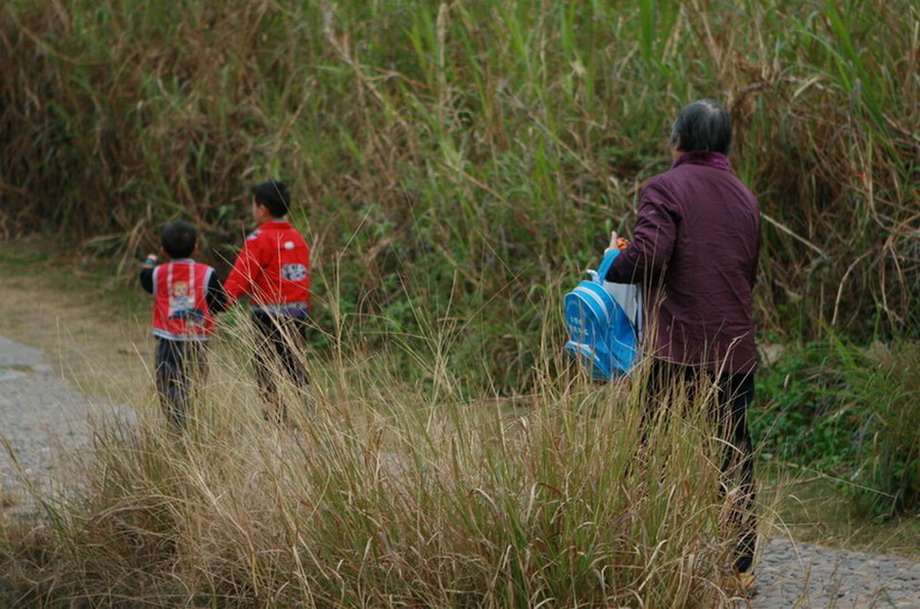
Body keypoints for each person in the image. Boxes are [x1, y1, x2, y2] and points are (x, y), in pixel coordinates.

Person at [604, 99, 761, 588]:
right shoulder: (744, 197)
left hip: (676, 348)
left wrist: (614, 261)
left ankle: (637, 557)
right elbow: (745, 271)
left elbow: (649, 257)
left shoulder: (665, 187)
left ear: (678, 141)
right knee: (731, 453)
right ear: (725, 145)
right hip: (733, 348)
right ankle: (739, 572)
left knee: (649, 450)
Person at [224, 179, 312, 422]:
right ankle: (310, 417)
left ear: (262, 208)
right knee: (296, 366)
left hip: (267, 315)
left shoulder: (258, 239)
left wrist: (220, 303)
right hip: (298, 314)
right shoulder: (298, 238)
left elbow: (240, 278)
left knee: (265, 368)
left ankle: (275, 420)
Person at [140, 220, 227, 430]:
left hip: (168, 339)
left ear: (163, 250)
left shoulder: (158, 273)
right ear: (196, 247)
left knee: (168, 381)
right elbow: (219, 303)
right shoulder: (208, 273)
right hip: (199, 338)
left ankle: (176, 423)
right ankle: (194, 420)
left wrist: (150, 261)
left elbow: (144, 279)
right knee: (195, 380)